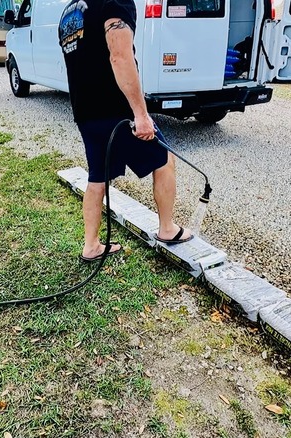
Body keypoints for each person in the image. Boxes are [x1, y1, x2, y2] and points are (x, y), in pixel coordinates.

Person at [58, 0, 193, 262]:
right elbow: (120, 56)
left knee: (97, 177)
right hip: (116, 112)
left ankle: (91, 246)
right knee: (164, 160)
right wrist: (141, 115)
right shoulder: (114, 2)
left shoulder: (71, 10)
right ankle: (167, 229)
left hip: (85, 111)